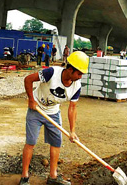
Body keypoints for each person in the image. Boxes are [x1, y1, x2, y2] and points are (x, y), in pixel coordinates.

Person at [19, 51, 89, 185]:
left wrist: (72, 130)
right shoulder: (51, 73)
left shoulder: (76, 86)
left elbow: (72, 108)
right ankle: (24, 177)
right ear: (70, 69)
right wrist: (31, 100)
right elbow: (28, 79)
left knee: (57, 142)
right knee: (31, 141)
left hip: (53, 113)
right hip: (36, 110)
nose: (80, 77)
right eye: (79, 73)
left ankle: (53, 177)